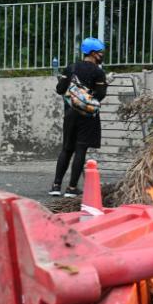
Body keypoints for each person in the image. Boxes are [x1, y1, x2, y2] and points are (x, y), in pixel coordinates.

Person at [49, 37, 107, 198]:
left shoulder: (70, 68)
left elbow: (60, 89)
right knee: (80, 149)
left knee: (66, 149)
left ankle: (56, 185)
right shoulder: (98, 72)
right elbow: (101, 95)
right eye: (101, 52)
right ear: (94, 53)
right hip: (87, 116)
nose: (102, 55)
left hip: (69, 114)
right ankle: (72, 188)